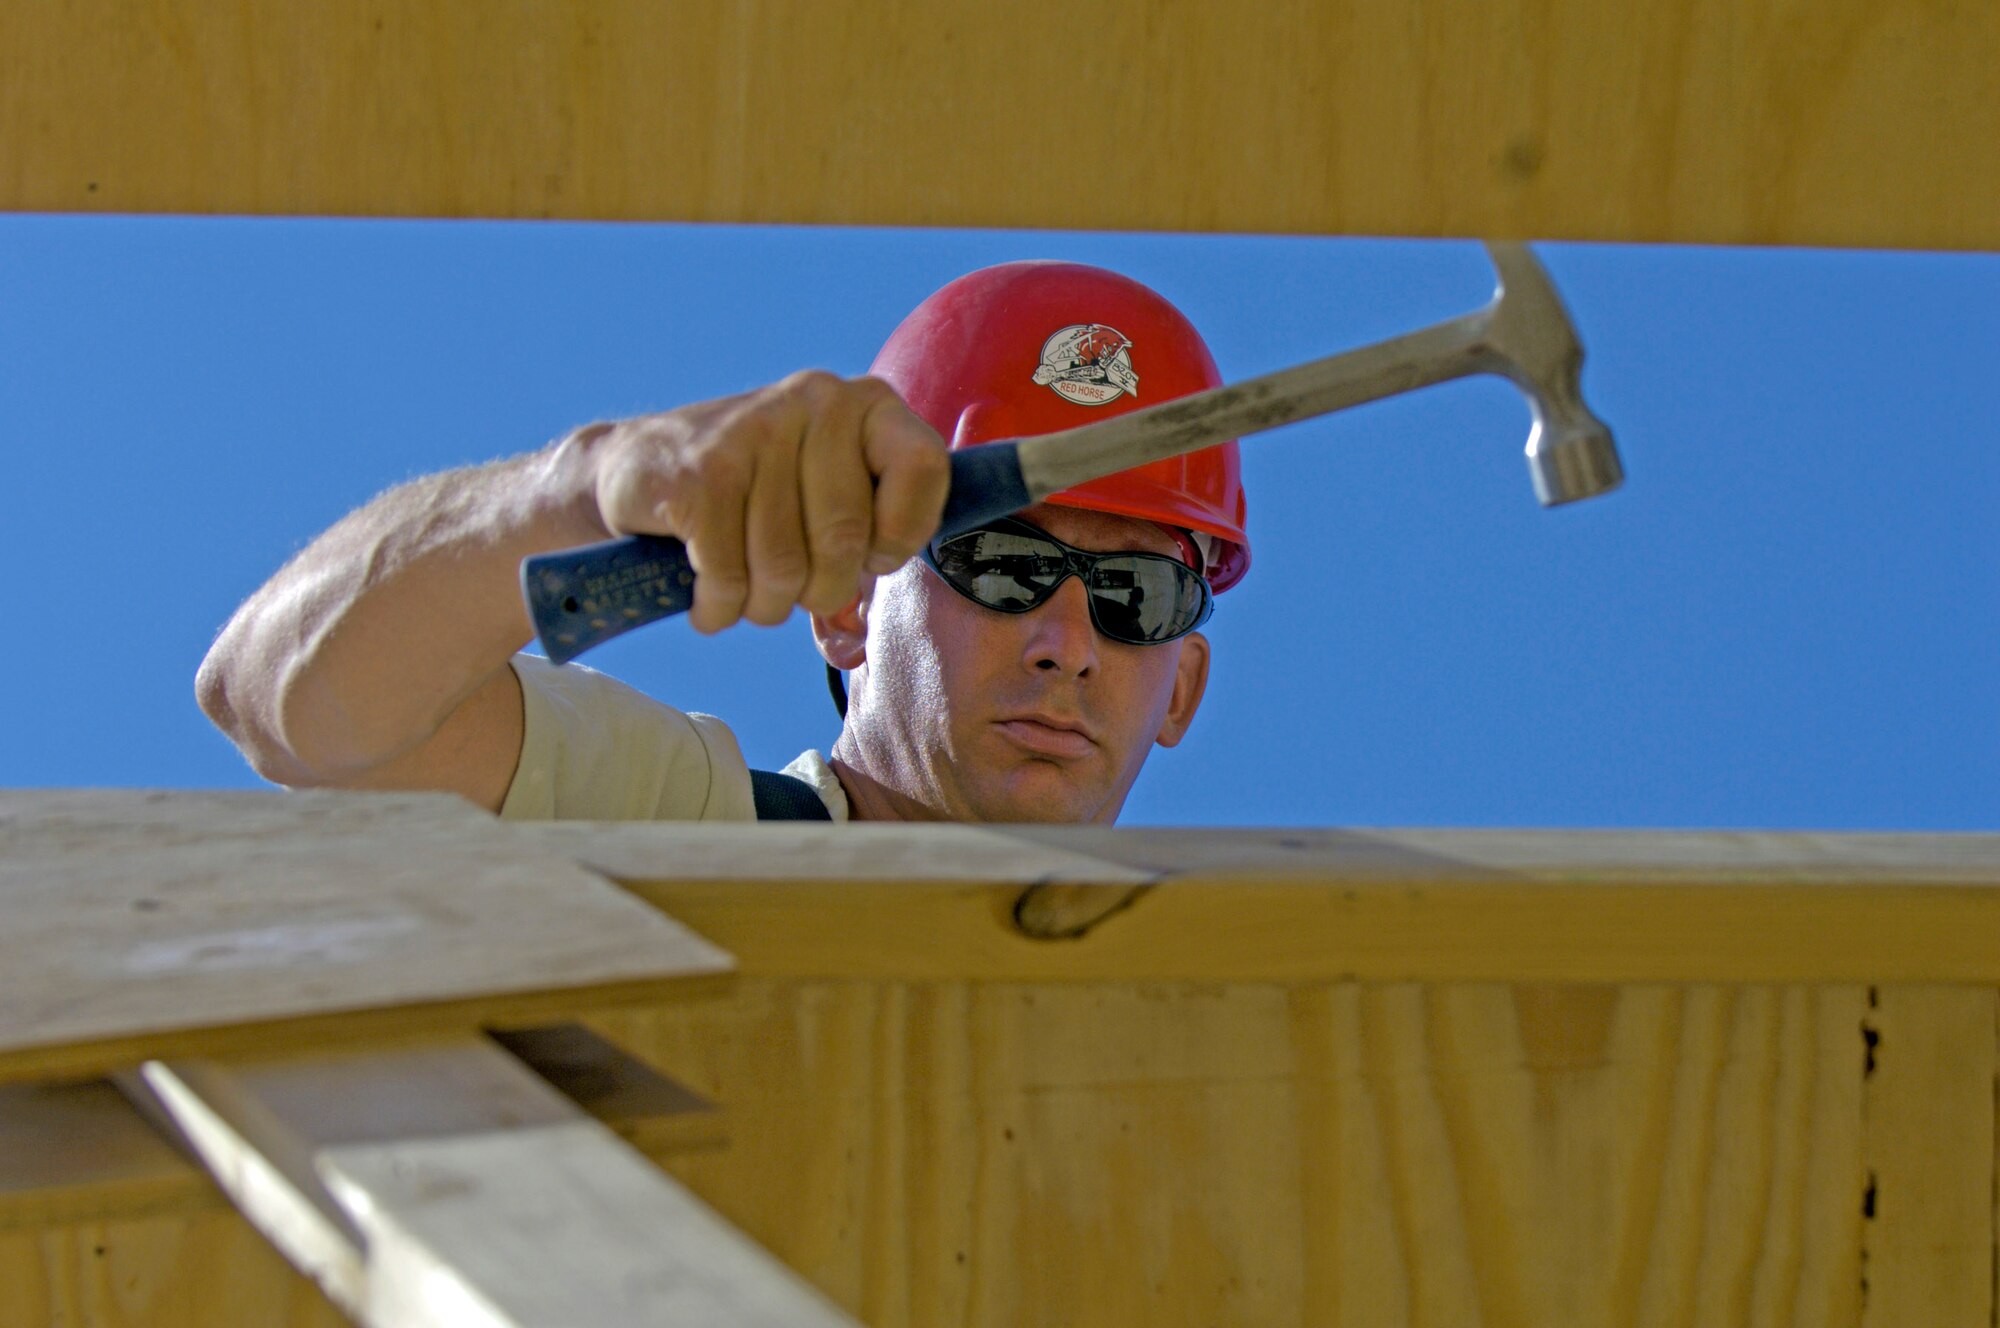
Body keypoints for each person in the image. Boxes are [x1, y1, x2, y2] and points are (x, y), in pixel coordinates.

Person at [198, 260, 1250, 824]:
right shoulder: (682, 823)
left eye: (1133, 596)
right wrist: (585, 483)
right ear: (846, 607)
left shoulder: (1248, 1012)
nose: (1066, 641)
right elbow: (292, 704)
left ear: (1183, 687)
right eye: (1004, 565)